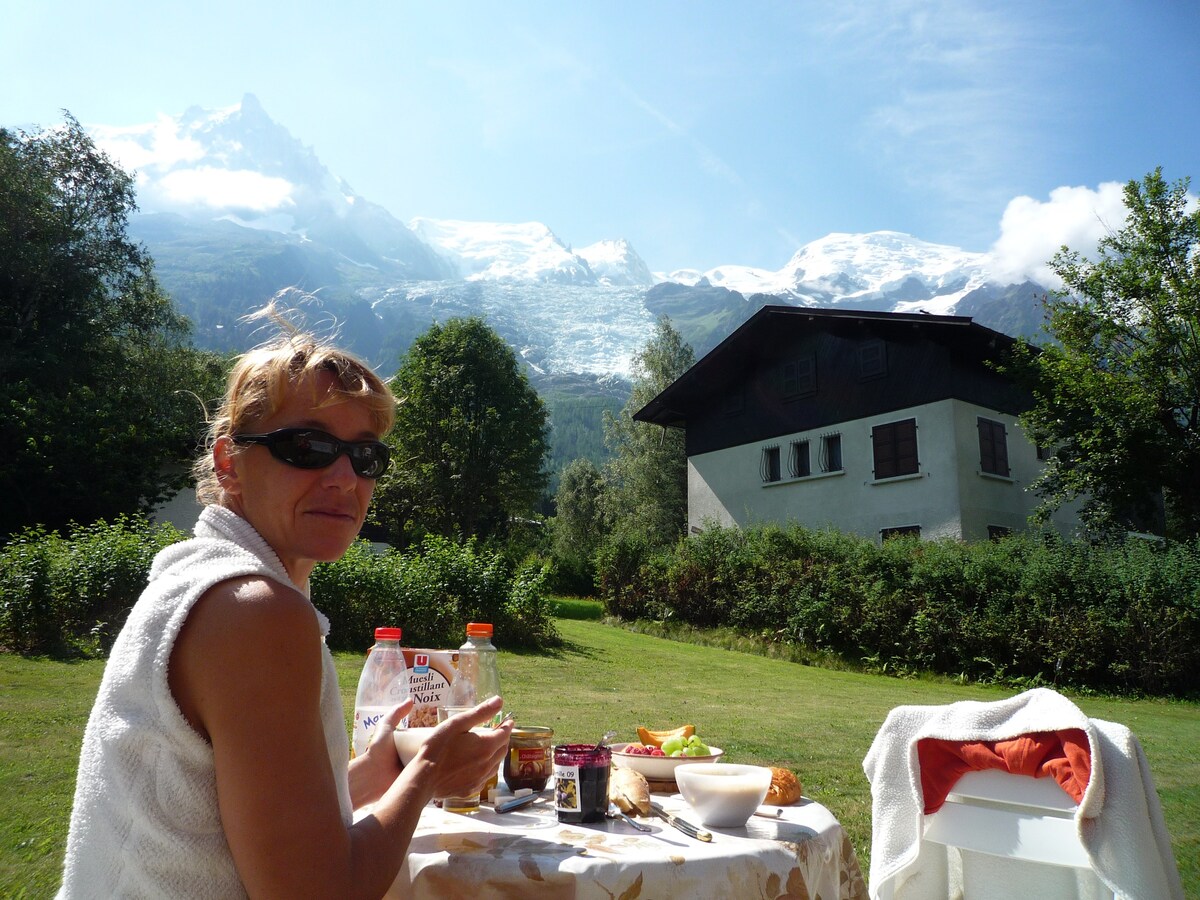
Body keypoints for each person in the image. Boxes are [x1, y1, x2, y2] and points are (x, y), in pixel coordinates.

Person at [59, 315, 514, 898]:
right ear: (229, 462)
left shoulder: (203, 581)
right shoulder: (255, 612)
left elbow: (230, 822)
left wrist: (379, 776)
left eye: (365, 457)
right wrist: (428, 775)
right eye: (309, 447)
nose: (345, 478)